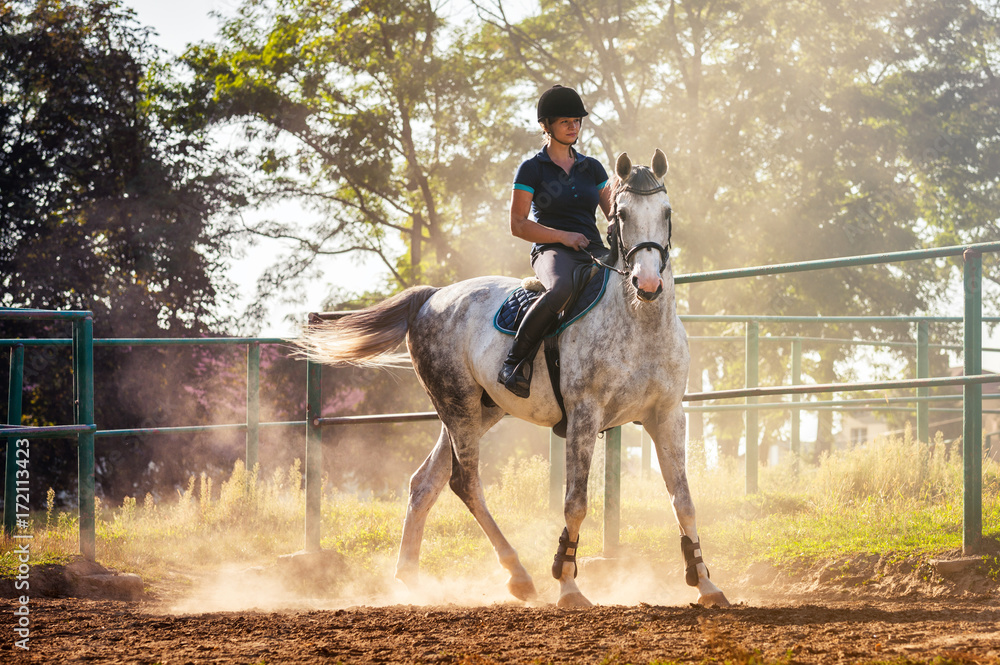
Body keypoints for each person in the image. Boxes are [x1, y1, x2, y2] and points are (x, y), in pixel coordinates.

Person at [498, 85, 613, 398]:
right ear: (545, 126)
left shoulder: (593, 167)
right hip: (551, 251)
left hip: (594, 250)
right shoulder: (532, 169)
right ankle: (513, 362)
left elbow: (613, 213)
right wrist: (564, 236)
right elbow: (518, 225)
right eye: (565, 121)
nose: (574, 126)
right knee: (561, 289)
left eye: (577, 120)